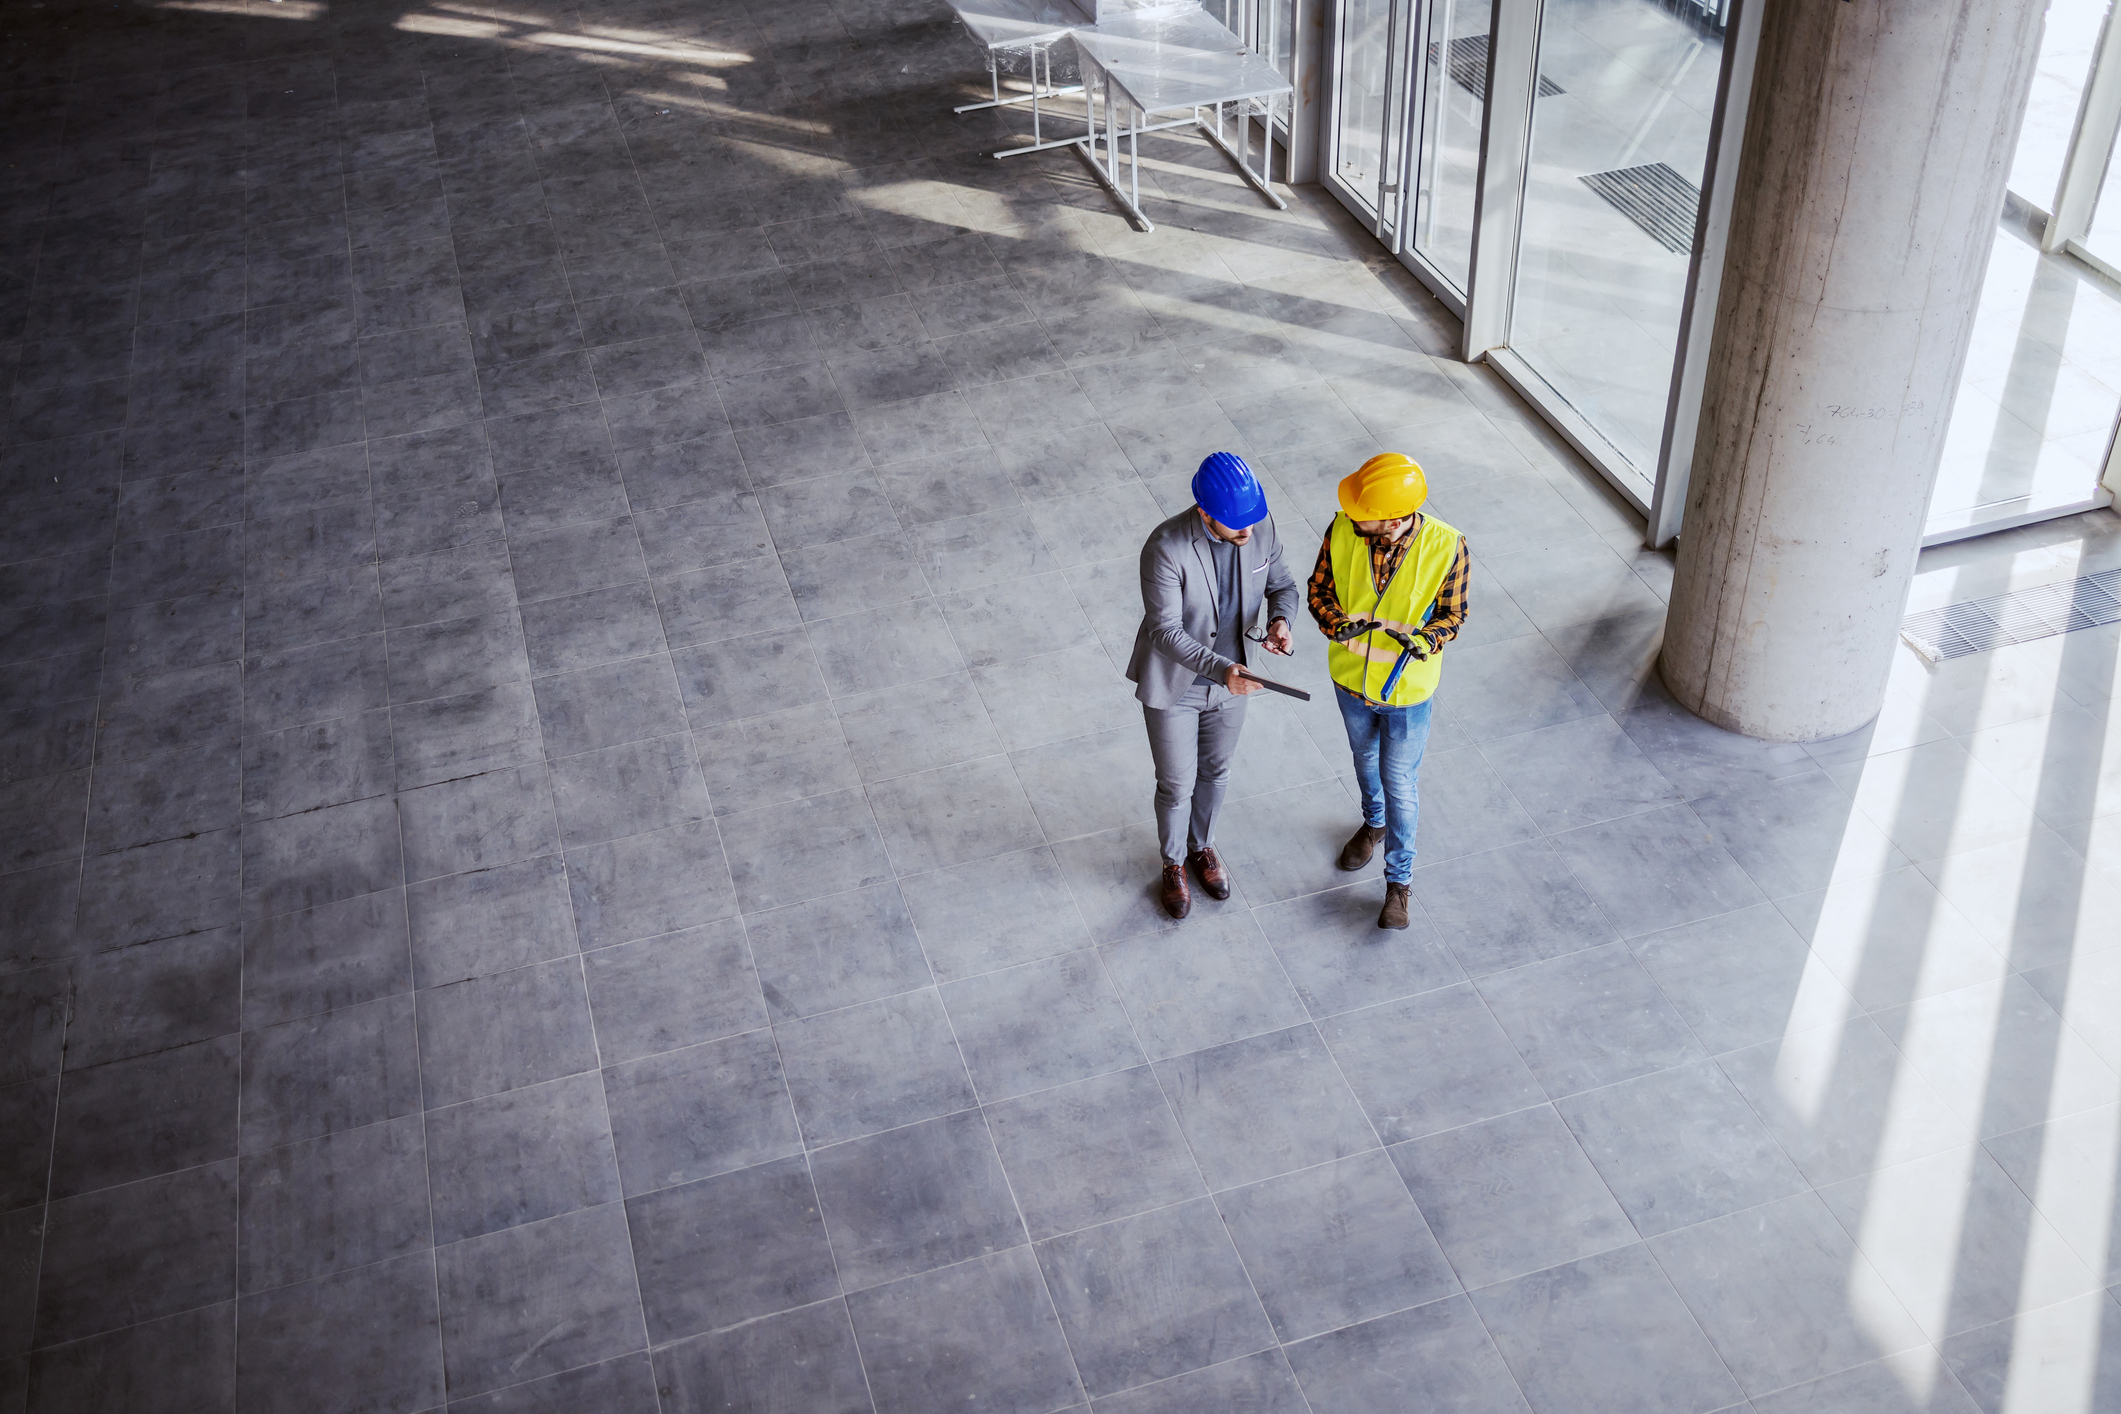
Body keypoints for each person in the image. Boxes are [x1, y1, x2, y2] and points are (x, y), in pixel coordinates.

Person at [1126, 452, 1300, 919]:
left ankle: (1202, 847)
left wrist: (1282, 619)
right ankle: (1173, 864)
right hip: (1178, 685)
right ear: (1205, 513)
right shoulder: (1165, 546)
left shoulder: (1257, 526)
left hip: (1232, 682)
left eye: (1251, 522)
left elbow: (1282, 585)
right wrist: (1222, 669)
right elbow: (1165, 632)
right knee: (1177, 783)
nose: (1247, 534)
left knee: (1216, 771)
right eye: (1235, 526)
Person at [1307, 452, 1469, 929]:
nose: (1353, 516)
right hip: (1350, 681)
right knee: (1363, 760)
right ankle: (1372, 823)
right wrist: (1337, 625)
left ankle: (1398, 883)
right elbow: (1320, 591)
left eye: (1365, 514)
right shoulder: (1341, 529)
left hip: (1406, 693)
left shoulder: (1447, 546)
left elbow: (1453, 616)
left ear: (1394, 519)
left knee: (1399, 782)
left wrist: (1424, 641)